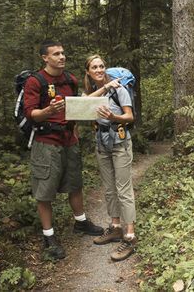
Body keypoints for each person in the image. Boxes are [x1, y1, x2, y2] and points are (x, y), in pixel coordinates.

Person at [24, 40, 104, 260]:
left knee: (74, 184)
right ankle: (48, 237)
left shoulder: (70, 79)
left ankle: (81, 223)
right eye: (56, 54)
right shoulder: (35, 81)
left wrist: (75, 129)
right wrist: (49, 110)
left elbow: (76, 108)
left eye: (63, 53)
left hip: (69, 140)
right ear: (45, 58)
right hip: (46, 143)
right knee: (45, 192)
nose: (62, 57)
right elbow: (31, 115)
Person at [83, 54, 136, 262]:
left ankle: (130, 236)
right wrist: (104, 89)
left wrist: (114, 117)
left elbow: (130, 116)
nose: (99, 69)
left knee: (124, 189)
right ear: (88, 71)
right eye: (94, 67)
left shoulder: (119, 89)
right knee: (108, 188)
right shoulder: (89, 93)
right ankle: (115, 227)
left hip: (120, 142)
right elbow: (84, 105)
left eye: (101, 66)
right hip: (101, 143)